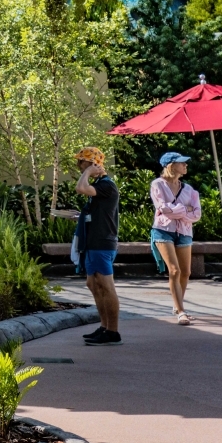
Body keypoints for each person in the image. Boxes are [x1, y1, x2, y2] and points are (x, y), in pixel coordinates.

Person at [74, 147, 122, 346]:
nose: (79, 165)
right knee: (93, 284)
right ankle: (104, 327)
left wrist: (88, 172)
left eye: (82, 162)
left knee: (106, 285)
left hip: (102, 242)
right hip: (93, 242)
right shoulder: (99, 185)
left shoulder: (106, 185)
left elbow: (80, 188)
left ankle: (113, 331)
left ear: (93, 163)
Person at [150, 151, 201, 324]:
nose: (185, 165)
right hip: (163, 230)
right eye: (182, 163)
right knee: (174, 270)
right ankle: (181, 311)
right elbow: (163, 209)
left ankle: (177, 304)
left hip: (184, 232)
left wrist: (177, 210)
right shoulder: (157, 184)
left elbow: (197, 214)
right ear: (171, 165)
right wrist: (185, 210)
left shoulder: (189, 189)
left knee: (186, 272)